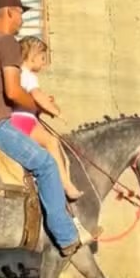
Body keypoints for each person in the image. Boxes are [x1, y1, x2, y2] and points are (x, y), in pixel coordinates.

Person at [0, 0, 93, 258]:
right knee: (46, 164)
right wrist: (36, 106)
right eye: (20, 12)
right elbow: (13, 92)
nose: (22, 18)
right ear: (9, 12)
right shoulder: (8, 43)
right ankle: (67, 236)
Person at [9, 35, 84, 201]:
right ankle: (66, 184)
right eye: (42, 58)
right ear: (32, 56)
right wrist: (56, 111)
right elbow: (38, 96)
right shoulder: (28, 76)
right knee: (52, 142)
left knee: (48, 144)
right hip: (24, 121)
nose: (44, 63)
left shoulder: (16, 74)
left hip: (20, 119)